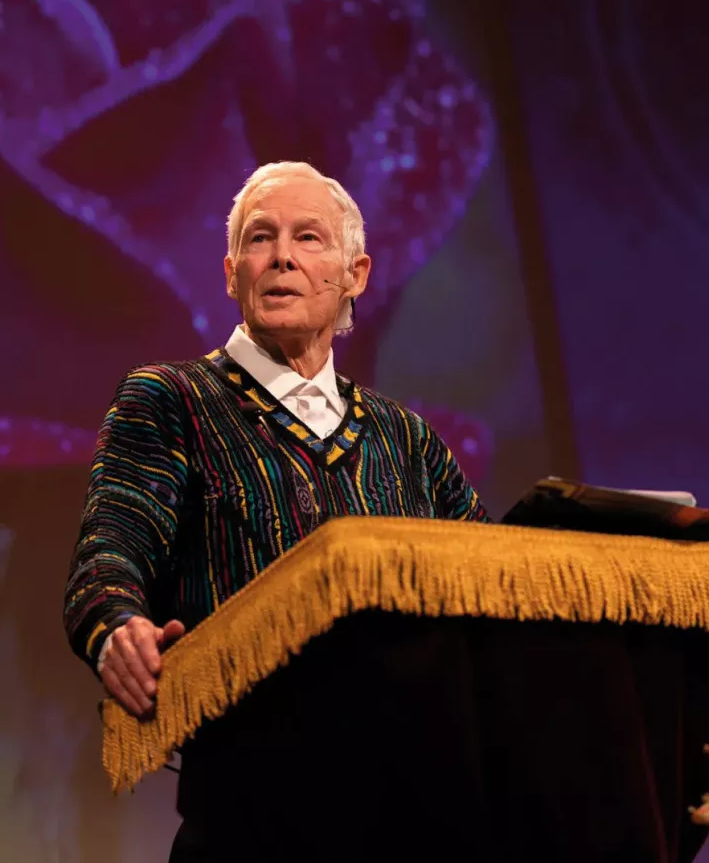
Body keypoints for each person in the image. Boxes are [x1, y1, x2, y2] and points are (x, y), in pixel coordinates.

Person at [63, 161, 490, 860]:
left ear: (355, 274)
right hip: (251, 817)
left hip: (414, 818)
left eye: (309, 238)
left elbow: (494, 582)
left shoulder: (406, 438)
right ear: (233, 272)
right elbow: (110, 550)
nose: (283, 255)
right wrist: (117, 627)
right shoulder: (172, 400)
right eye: (261, 238)